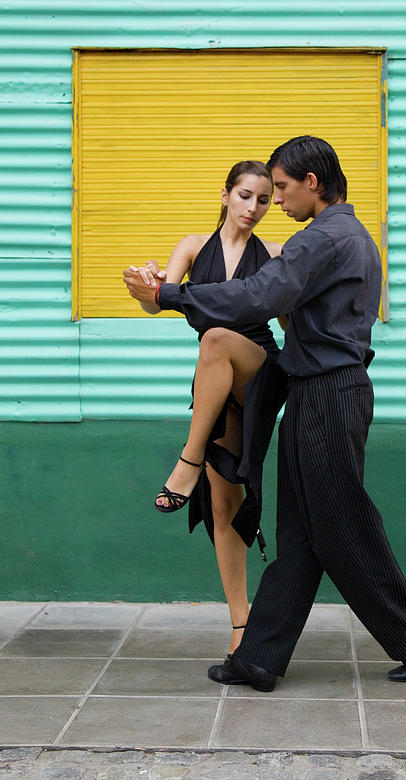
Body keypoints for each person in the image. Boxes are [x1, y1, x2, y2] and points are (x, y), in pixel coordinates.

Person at [125, 136, 406, 691]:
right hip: (314, 393)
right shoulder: (343, 236)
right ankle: (258, 659)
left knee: (342, 524)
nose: (274, 201)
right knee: (302, 535)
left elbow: (259, 296)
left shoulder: (323, 238)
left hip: (329, 394)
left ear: (312, 183)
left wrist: (174, 297)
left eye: (280, 188)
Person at [123, 160, 287, 658]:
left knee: (215, 336)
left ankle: (186, 462)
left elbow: (288, 315)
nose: (254, 208)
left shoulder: (277, 253)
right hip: (217, 380)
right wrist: (145, 284)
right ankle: (242, 624)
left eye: (263, 199)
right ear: (225, 195)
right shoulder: (194, 247)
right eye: (244, 196)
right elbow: (159, 301)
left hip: (258, 369)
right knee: (223, 505)